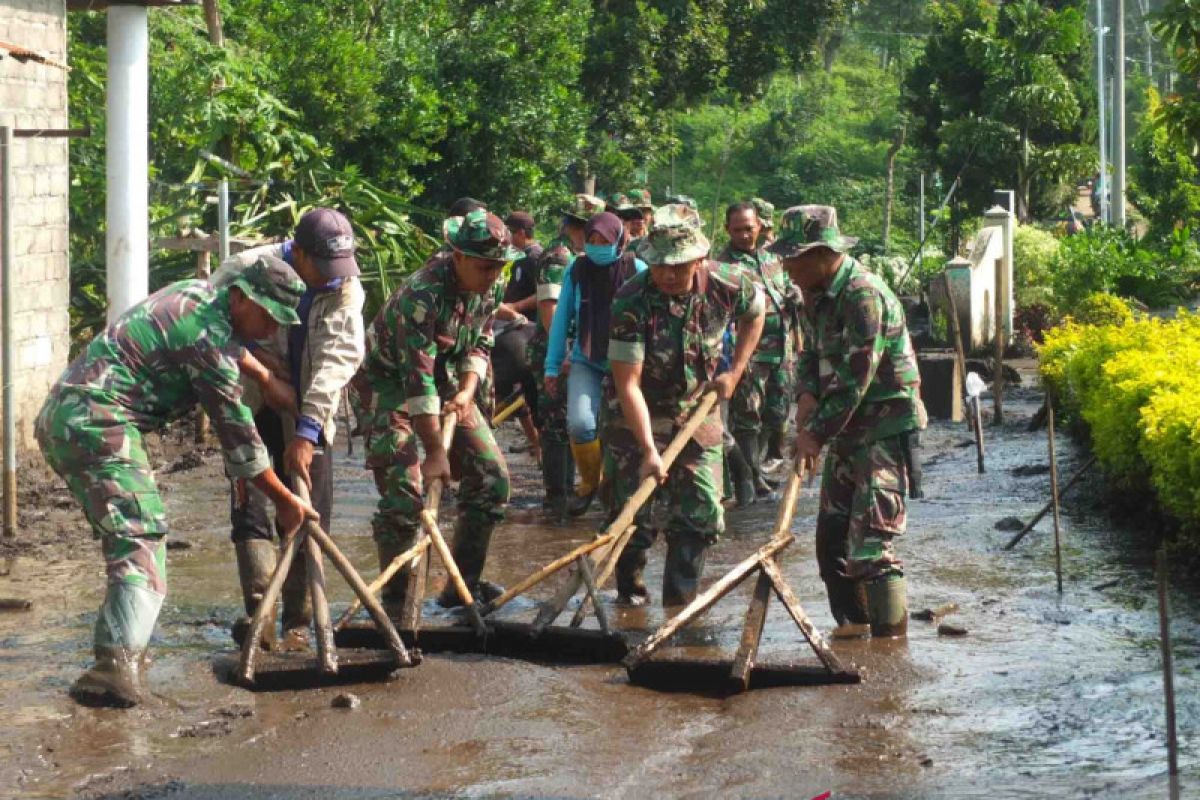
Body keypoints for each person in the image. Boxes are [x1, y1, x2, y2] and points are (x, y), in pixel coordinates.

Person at [36, 257, 317, 707]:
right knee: (140, 535)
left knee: (132, 533)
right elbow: (240, 441)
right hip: (94, 423)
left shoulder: (199, 296)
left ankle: (122, 656)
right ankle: (114, 668)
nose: (269, 330)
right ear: (240, 296)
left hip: (77, 414)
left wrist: (263, 375)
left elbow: (227, 344)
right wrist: (285, 502)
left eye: (277, 322)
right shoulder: (207, 342)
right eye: (265, 316)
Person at [212, 208, 366, 651]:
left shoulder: (344, 289)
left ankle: (298, 621)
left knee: (308, 507)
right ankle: (260, 613)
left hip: (309, 401)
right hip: (251, 401)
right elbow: (215, 336)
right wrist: (265, 375)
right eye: (322, 267)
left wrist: (306, 432)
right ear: (297, 253)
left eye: (338, 269)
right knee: (254, 503)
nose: (331, 278)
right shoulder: (244, 272)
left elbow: (338, 362)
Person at [769, 205, 922, 634]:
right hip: (845, 429)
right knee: (832, 544)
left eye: (793, 258)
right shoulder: (813, 295)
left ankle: (890, 649)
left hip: (883, 428)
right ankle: (854, 636)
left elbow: (856, 378)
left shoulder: (862, 296)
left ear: (821, 254)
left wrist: (813, 435)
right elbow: (810, 354)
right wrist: (804, 396)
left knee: (871, 546)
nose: (787, 267)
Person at [606, 204, 765, 606]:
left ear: (700, 258)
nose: (669, 275)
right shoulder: (630, 302)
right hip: (636, 412)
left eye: (679, 265)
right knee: (632, 515)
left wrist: (734, 371)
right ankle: (631, 595)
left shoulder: (729, 283)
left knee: (701, 511)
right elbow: (628, 384)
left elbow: (756, 313)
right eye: (660, 266)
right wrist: (647, 450)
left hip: (698, 407)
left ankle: (679, 605)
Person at [363, 209, 517, 610]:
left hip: (448, 379)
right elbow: (417, 384)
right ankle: (397, 602)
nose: (493, 276)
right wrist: (434, 453)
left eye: (499, 268)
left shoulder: (491, 285)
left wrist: (468, 388)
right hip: (390, 384)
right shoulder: (422, 297)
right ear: (458, 256)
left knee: (492, 478)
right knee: (405, 494)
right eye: (485, 267)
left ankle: (461, 588)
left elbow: (482, 339)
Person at [544, 211, 647, 516]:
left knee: (625, 428)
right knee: (580, 423)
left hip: (628, 360)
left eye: (604, 240)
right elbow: (562, 318)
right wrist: (552, 366)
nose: (597, 245)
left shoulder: (636, 268)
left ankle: (628, 491)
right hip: (586, 359)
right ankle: (590, 483)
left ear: (618, 239)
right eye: (592, 240)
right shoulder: (577, 270)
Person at [716, 201, 802, 500]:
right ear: (728, 230)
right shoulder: (723, 266)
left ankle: (763, 469)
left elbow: (791, 287)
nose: (744, 235)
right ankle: (750, 477)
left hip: (782, 351)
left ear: (760, 227)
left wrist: (795, 294)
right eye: (737, 230)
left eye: (749, 229)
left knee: (777, 414)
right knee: (747, 416)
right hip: (748, 354)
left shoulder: (773, 258)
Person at [532, 194, 605, 520]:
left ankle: (573, 494)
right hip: (557, 353)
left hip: (576, 354)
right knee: (556, 426)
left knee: (572, 424)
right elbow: (551, 312)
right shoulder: (560, 258)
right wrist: (560, 357)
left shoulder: (582, 256)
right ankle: (557, 500)